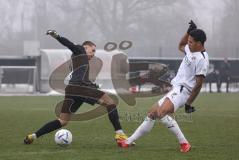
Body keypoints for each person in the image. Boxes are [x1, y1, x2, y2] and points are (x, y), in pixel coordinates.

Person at [117, 21, 209, 153]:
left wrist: (189, 103)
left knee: (161, 113)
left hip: (183, 91)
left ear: (199, 43)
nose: (188, 43)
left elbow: (199, 84)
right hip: (176, 89)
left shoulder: (202, 59)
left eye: (191, 41)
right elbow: (181, 45)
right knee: (152, 114)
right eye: (189, 41)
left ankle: (184, 143)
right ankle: (128, 141)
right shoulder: (190, 49)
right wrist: (188, 31)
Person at [24, 30, 128, 144]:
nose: (93, 54)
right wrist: (57, 36)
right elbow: (69, 44)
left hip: (71, 90)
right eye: (92, 50)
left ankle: (33, 136)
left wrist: (94, 85)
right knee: (110, 102)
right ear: (86, 47)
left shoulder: (79, 58)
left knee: (63, 121)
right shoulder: (80, 50)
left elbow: (81, 78)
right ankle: (120, 135)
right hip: (80, 88)